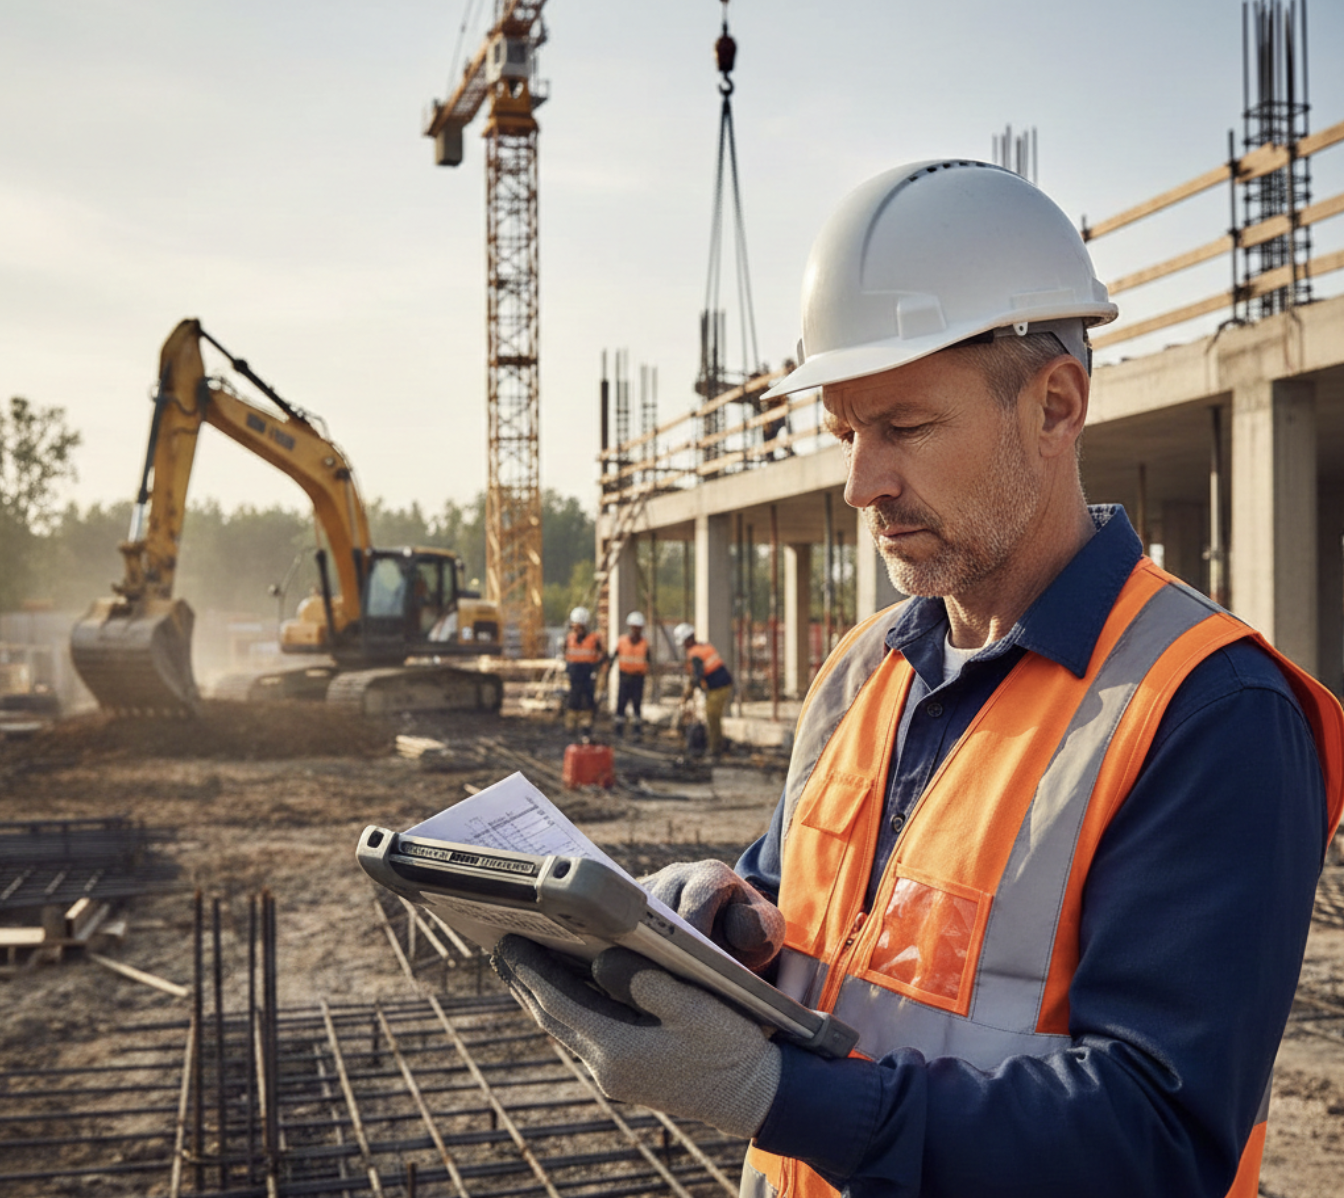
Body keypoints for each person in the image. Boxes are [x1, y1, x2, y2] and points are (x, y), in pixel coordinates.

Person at [491, 159, 1344, 1197]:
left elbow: (1157, 1140)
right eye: (848, 431)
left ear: (1055, 404)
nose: (861, 483)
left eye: (904, 426)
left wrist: (782, 1095)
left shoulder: (1209, 712)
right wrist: (723, 913)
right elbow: (803, 903)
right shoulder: (865, 671)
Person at [674, 622, 733, 761]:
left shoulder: (695, 653)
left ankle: (715, 750)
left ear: (688, 639)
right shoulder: (704, 647)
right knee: (714, 717)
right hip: (720, 685)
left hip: (719, 686)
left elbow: (697, 675)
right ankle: (717, 746)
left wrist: (687, 694)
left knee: (712, 716)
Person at [562, 605, 603, 735]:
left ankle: (586, 724)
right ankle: (571, 724)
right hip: (574, 671)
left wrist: (597, 668)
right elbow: (565, 652)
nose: (575, 628)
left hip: (587, 671)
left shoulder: (594, 639)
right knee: (573, 698)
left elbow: (603, 654)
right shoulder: (570, 638)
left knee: (588, 698)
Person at [613, 610, 650, 741]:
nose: (636, 630)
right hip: (624, 677)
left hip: (638, 678)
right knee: (621, 704)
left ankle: (637, 732)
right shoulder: (622, 641)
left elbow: (648, 660)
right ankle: (618, 730)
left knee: (636, 705)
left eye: (638, 628)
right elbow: (615, 656)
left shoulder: (645, 644)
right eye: (634, 627)